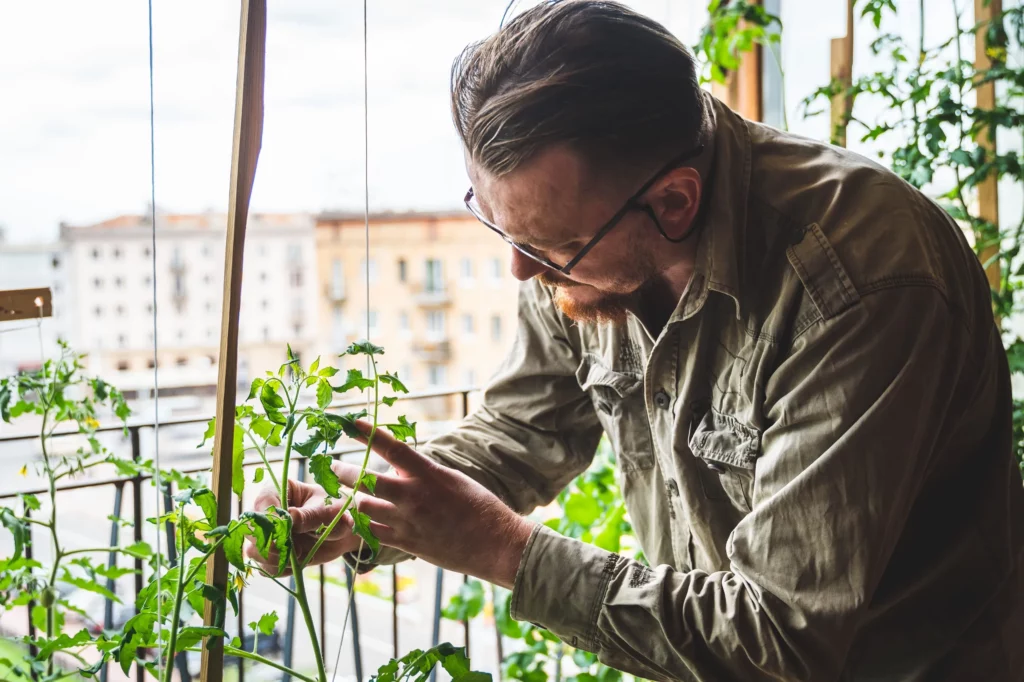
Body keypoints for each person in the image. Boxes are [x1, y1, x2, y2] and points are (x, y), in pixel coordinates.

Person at [248, 2, 1024, 679]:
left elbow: (782, 642)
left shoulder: (859, 283)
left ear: (674, 202)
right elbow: (523, 433)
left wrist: (503, 551)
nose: (521, 272)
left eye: (549, 247)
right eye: (498, 226)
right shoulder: (585, 239)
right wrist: (359, 510)